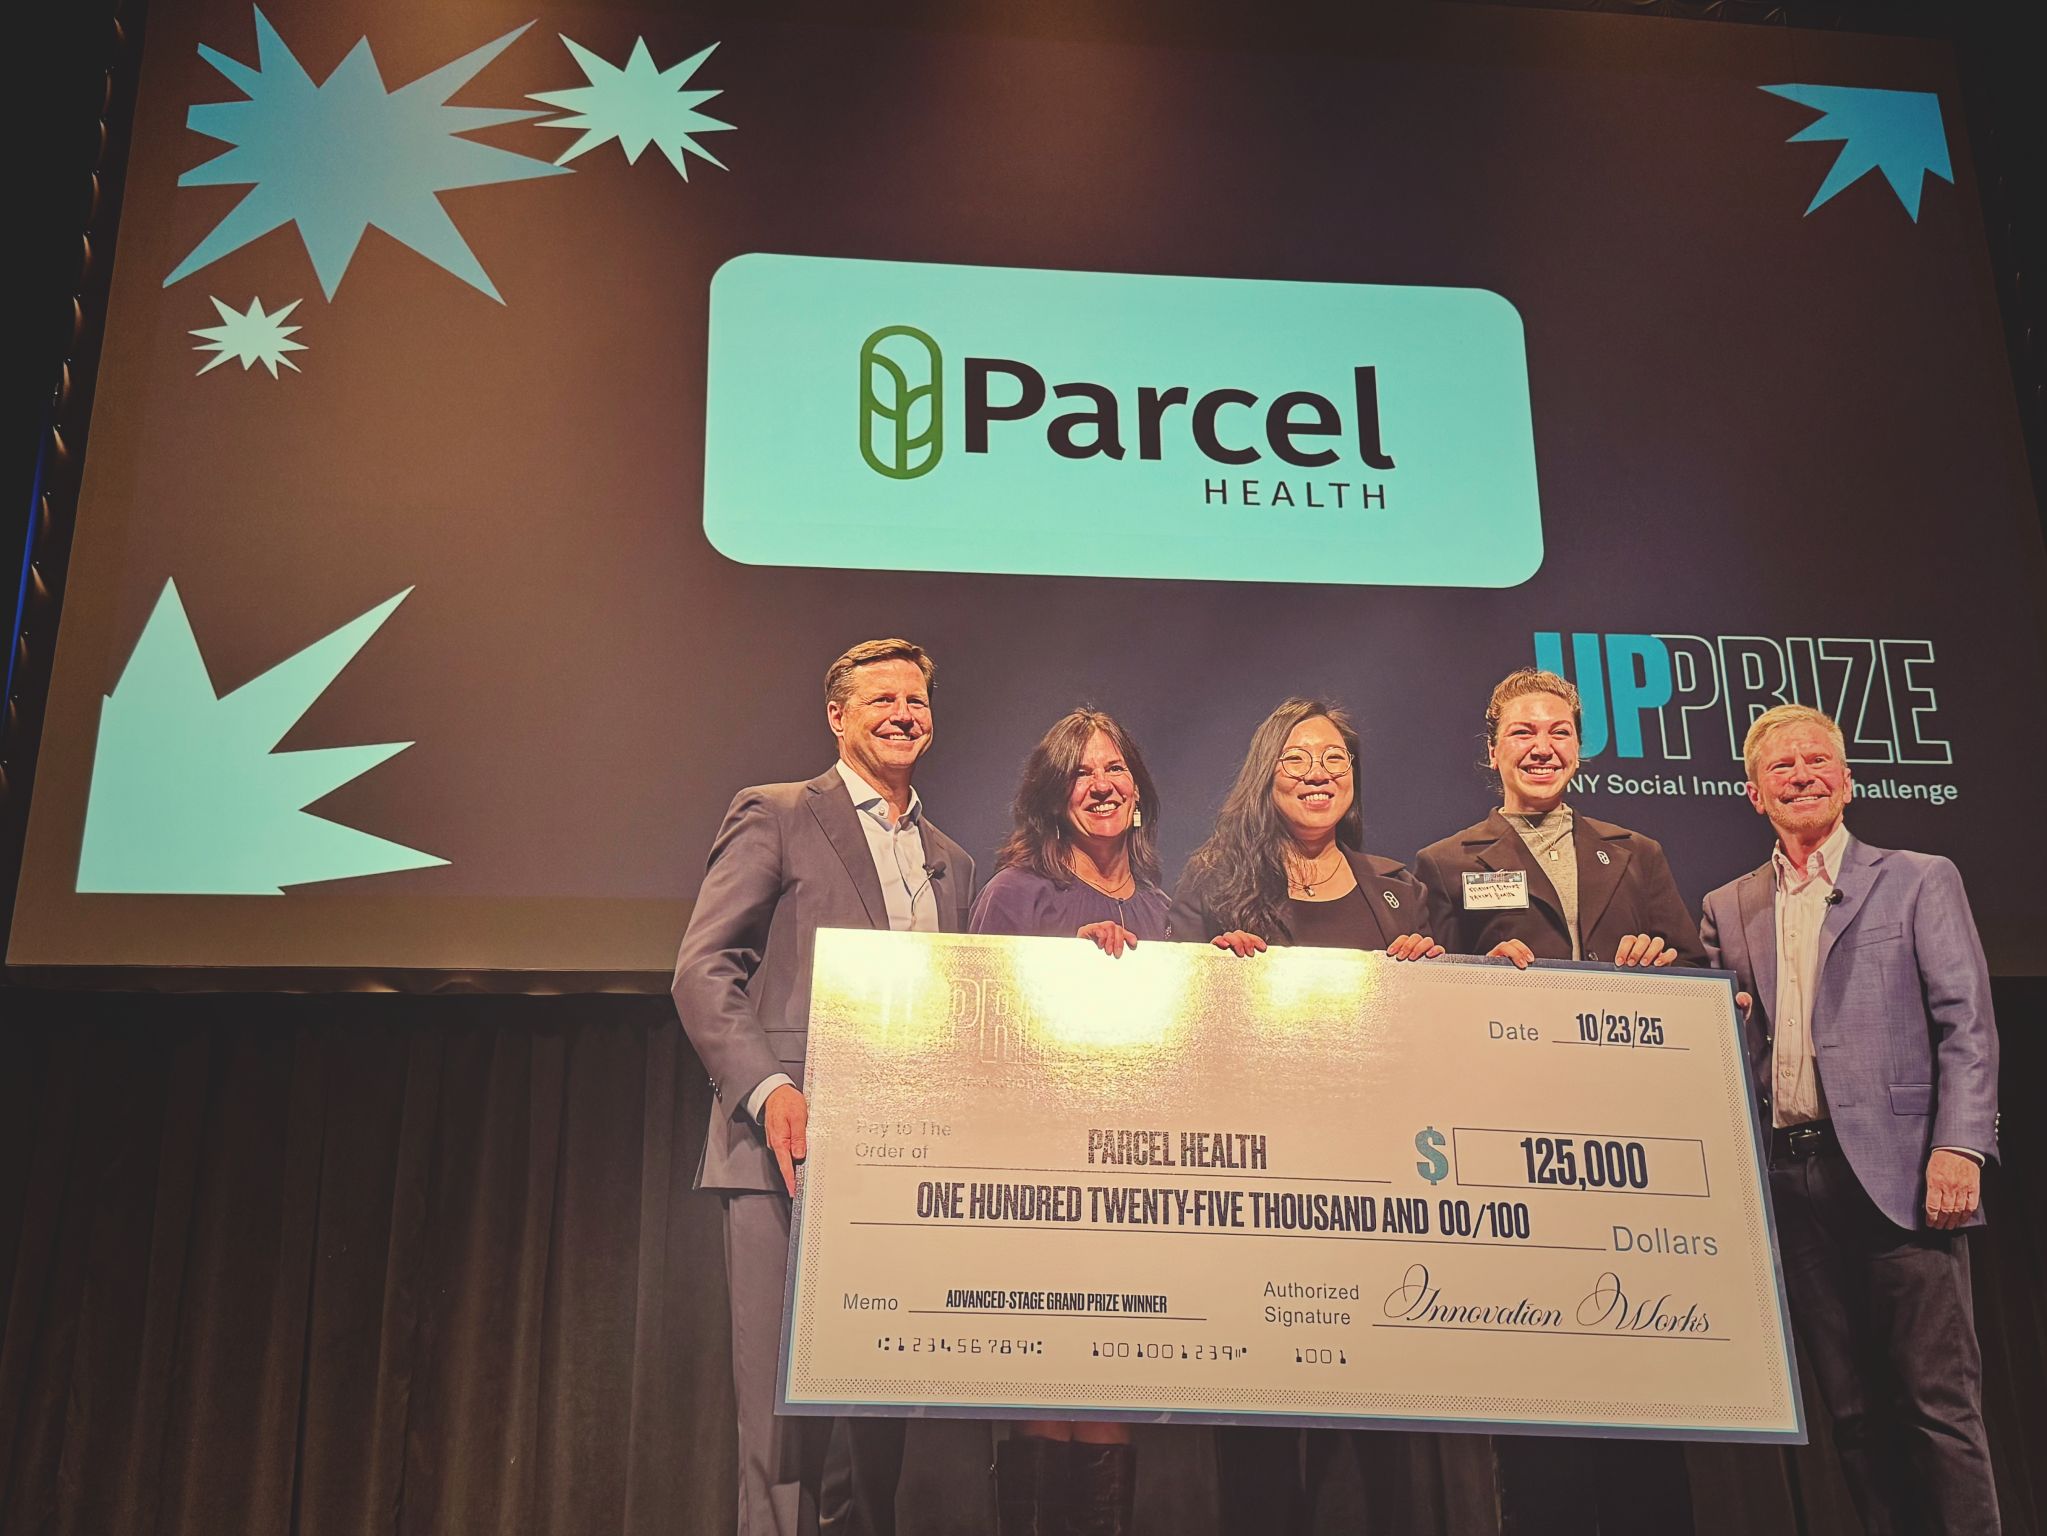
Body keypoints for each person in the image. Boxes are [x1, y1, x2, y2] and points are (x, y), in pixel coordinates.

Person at [672, 639, 976, 1536]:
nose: (902, 714)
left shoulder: (952, 861)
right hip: (785, 1151)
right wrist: (769, 1089)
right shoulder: (776, 813)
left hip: (899, 1162)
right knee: (781, 1424)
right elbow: (703, 969)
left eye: (916, 700)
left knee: (877, 1411)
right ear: (837, 717)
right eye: (881, 699)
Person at [1413, 666, 1699, 1536]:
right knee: (1539, 1390)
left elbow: (1696, 979)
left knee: (1644, 1384)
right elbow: (1430, 1006)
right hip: (1518, 1156)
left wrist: (1663, 964)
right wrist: (1473, 975)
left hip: (1631, 1152)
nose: (1542, 748)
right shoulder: (1446, 863)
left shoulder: (1636, 852)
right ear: (1491, 748)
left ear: (1579, 745)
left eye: (1558, 733)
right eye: (1523, 733)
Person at [1701, 704, 2000, 1535]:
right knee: (1854, 1415)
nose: (1800, 776)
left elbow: (1965, 1024)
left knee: (1937, 1405)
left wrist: (1959, 1146)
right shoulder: (1727, 906)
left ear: (1847, 780)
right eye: (1780, 767)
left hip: (1901, 1174)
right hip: (1790, 1185)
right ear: (1753, 793)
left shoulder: (1917, 878)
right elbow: (1726, 1048)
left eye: (1815, 761)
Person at [1168, 697, 1439, 1536]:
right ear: (1265, 774)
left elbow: (1431, 1045)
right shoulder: (1215, 884)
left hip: (1376, 1195)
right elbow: (1172, 1031)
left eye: (1334, 759)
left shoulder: (1398, 892)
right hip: (1257, 1194)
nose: (1317, 774)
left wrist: (1433, 974)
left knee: (1378, 1438)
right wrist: (1207, 972)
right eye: (1296, 758)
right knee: (1261, 1435)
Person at [969, 707, 1173, 1536]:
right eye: (1081, 773)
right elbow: (977, 1030)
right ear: (1054, 797)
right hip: (1039, 1181)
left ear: (1138, 789)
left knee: (1109, 1400)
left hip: (1135, 1186)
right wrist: (1062, 972)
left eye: (1114, 768)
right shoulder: (1014, 895)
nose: (1101, 785)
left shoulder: (1166, 913)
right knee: (1045, 1394)